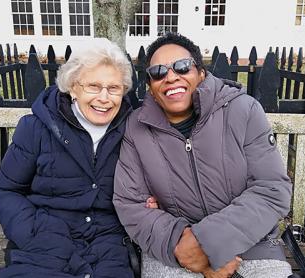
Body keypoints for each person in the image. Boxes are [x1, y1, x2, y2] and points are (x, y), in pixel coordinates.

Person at [113, 32, 293, 278]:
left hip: (253, 244)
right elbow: (130, 203)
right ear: (151, 88)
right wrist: (180, 244)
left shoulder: (244, 110)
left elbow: (271, 190)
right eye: (158, 72)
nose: (171, 77)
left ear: (201, 73)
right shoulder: (137, 127)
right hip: (171, 247)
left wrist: (206, 243)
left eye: (182, 67)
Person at [0, 39, 135, 278]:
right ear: (73, 87)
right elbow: (2, 190)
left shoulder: (132, 130)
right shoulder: (37, 128)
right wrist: (35, 232)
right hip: (44, 243)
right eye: (94, 86)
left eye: (114, 88)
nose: (104, 98)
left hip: (108, 247)